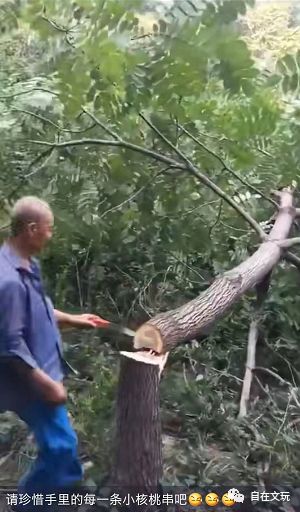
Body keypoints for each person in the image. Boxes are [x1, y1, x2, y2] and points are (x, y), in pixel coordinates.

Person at [0, 196, 104, 509]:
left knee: (62, 450)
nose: (51, 234)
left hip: (41, 371)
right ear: (32, 229)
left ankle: (59, 497)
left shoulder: (26, 265)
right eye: (49, 229)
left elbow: (39, 309)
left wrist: (74, 319)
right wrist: (47, 383)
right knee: (61, 447)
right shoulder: (8, 282)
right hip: (29, 381)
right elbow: (10, 345)